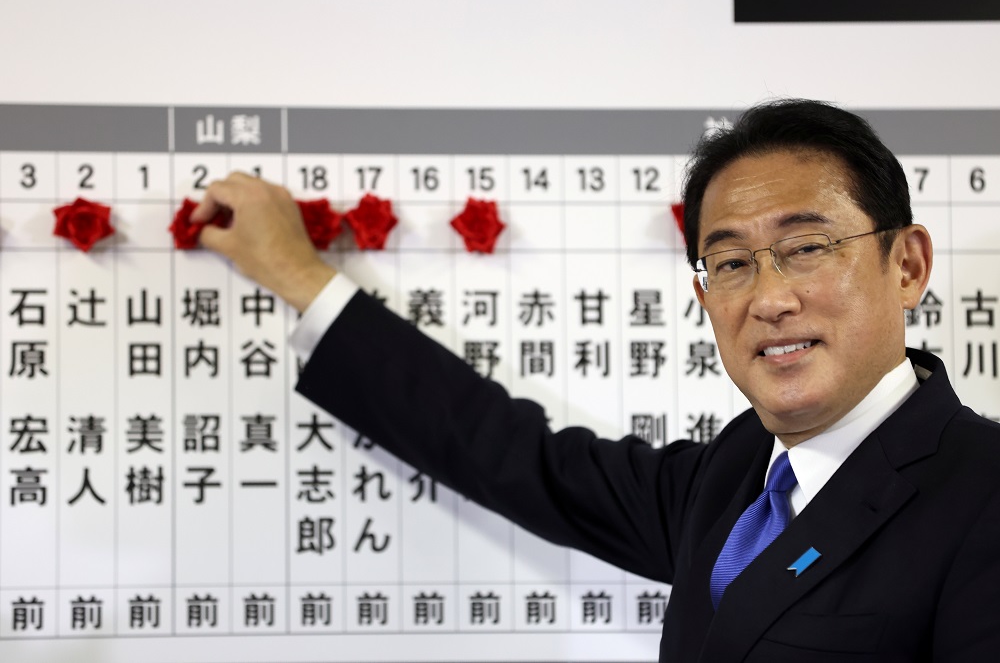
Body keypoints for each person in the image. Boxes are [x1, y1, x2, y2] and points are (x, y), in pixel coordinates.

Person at [193, 99, 1000, 662]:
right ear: (702, 291)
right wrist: (299, 275)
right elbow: (513, 455)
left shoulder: (982, 495)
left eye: (808, 247)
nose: (770, 298)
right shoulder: (733, 476)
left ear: (907, 265)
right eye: (730, 263)